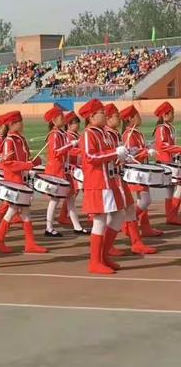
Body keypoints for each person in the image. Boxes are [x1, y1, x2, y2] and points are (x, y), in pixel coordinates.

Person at [79, 99, 128, 274]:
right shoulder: (88, 134)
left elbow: (107, 156)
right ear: (91, 117)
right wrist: (115, 152)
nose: (104, 114)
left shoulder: (103, 133)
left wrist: (120, 156)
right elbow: (91, 157)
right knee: (99, 221)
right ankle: (95, 261)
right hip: (98, 183)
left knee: (119, 215)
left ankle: (104, 255)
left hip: (110, 181)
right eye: (101, 112)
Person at [104, 104, 156, 255]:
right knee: (112, 213)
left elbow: (127, 153)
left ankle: (136, 242)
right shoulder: (105, 134)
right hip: (109, 178)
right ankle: (107, 246)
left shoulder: (113, 134)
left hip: (118, 176)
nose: (119, 118)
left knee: (129, 209)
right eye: (116, 116)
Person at [0, 111, 47, 254]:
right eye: (19, 122)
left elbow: (26, 159)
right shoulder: (9, 141)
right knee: (13, 211)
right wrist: (27, 165)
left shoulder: (20, 139)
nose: (22, 124)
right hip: (14, 180)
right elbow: (7, 163)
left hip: (21, 179)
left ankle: (29, 243)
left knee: (24, 212)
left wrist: (34, 162)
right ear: (11, 124)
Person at [44, 105, 87, 237]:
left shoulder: (60, 133)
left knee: (70, 199)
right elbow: (56, 152)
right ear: (53, 120)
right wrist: (71, 145)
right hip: (55, 170)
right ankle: (48, 227)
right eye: (60, 117)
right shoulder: (54, 135)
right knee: (55, 199)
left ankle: (77, 226)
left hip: (63, 170)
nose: (63, 119)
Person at [121, 105, 162, 237]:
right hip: (136, 171)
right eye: (137, 115)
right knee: (145, 201)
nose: (140, 118)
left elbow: (137, 149)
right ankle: (127, 222)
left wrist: (147, 147)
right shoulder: (129, 134)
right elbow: (131, 154)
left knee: (142, 201)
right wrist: (145, 152)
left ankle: (145, 227)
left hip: (142, 170)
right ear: (130, 118)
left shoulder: (136, 132)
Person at [153, 101, 181, 224]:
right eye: (172, 113)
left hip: (170, 161)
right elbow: (163, 145)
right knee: (178, 187)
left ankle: (170, 215)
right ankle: (172, 214)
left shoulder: (169, 127)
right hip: (165, 162)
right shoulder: (161, 128)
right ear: (165, 115)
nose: (173, 115)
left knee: (170, 189)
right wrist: (178, 149)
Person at [58, 111, 82, 226]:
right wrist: (82, 152)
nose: (77, 125)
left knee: (74, 193)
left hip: (78, 165)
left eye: (77, 123)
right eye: (74, 123)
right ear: (69, 124)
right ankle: (63, 216)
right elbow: (70, 151)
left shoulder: (77, 135)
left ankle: (63, 215)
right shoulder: (69, 136)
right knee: (73, 192)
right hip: (72, 167)